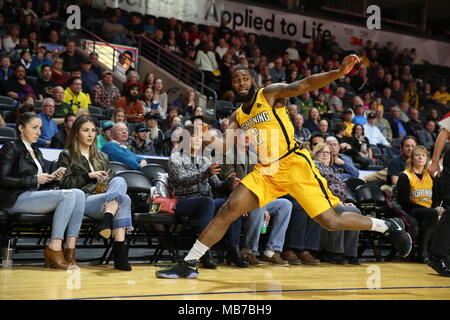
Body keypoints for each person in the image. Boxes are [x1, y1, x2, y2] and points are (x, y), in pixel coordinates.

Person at [155, 55, 412, 279]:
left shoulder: (269, 94)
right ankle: (190, 263)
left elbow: (304, 84)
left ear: (252, 81)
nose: (241, 82)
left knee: (331, 221)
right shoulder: (237, 116)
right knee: (229, 208)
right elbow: (226, 147)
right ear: (231, 86)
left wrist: (338, 73)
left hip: (294, 163)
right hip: (266, 171)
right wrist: (207, 139)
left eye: (245, 78)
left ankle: (387, 226)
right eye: (236, 80)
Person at [0, 112, 85, 269]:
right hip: (13, 199)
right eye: (34, 128)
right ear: (20, 128)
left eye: (40, 128)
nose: (39, 132)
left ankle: (69, 249)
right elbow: (2, 179)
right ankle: (54, 247)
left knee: (78, 194)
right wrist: (33, 180)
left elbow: (39, 183)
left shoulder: (37, 151)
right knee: (66, 196)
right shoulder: (10, 148)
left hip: (32, 196)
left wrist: (52, 177)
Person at [57, 116, 133, 271]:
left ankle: (107, 218)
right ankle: (120, 253)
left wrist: (104, 181)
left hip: (104, 200)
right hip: (81, 200)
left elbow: (111, 181)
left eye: (93, 130)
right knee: (124, 199)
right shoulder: (66, 155)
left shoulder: (102, 156)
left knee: (120, 182)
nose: (90, 134)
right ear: (77, 133)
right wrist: (88, 176)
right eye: (85, 130)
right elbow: (65, 184)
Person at [168, 125, 243, 268]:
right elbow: (181, 179)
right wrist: (206, 173)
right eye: (194, 137)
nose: (197, 140)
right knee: (207, 201)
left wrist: (229, 182)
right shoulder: (175, 158)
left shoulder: (205, 160)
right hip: (184, 202)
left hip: (205, 203)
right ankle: (204, 253)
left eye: (200, 137)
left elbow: (217, 185)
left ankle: (234, 249)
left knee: (233, 203)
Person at [312, 143, 362, 265]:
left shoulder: (331, 170)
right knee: (339, 210)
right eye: (321, 152)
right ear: (315, 154)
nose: (325, 155)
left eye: (327, 152)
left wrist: (346, 202)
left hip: (336, 201)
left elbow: (352, 176)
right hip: (320, 200)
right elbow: (321, 187)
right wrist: (338, 202)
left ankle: (350, 253)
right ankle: (333, 251)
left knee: (355, 212)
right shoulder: (313, 167)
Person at [396, 145, 442, 263]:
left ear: (427, 159)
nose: (420, 157)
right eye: (417, 155)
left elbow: (436, 197)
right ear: (412, 159)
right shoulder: (405, 175)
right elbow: (403, 201)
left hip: (429, 211)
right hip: (412, 209)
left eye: (423, 155)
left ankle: (438, 253)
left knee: (440, 214)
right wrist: (429, 209)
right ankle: (423, 252)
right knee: (432, 214)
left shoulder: (430, 176)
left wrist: (437, 207)